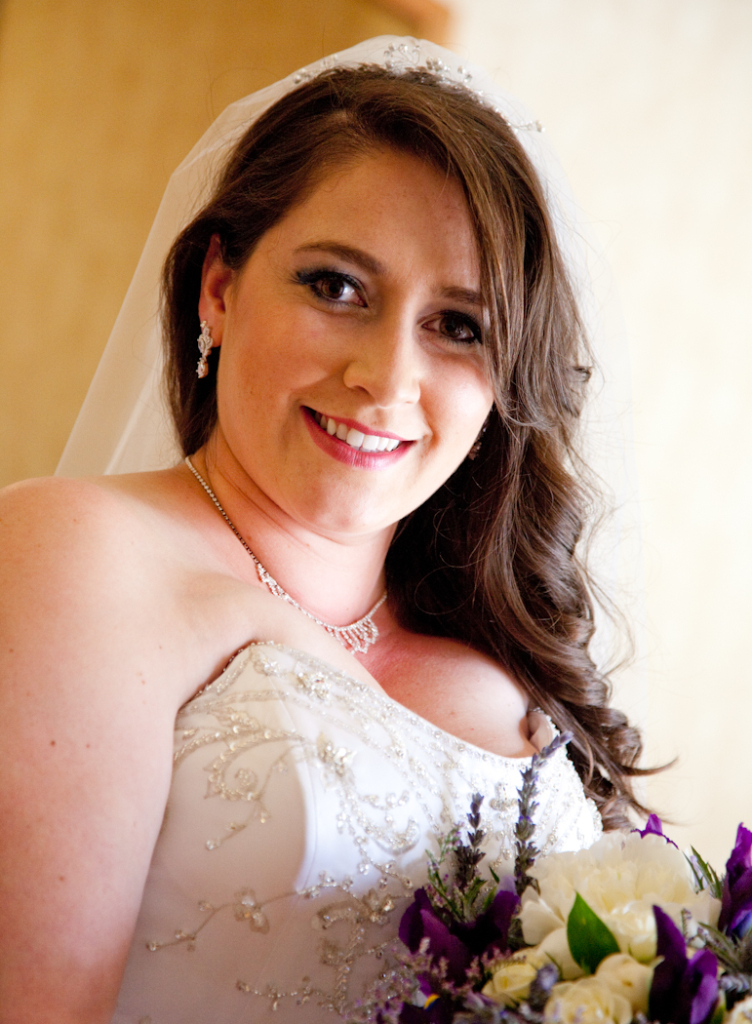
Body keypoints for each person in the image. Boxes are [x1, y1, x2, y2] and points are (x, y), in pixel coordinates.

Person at [0, 37, 646, 1024]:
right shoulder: (79, 551)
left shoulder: (495, 645)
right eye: (337, 286)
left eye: (458, 326)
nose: (385, 380)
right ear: (220, 288)